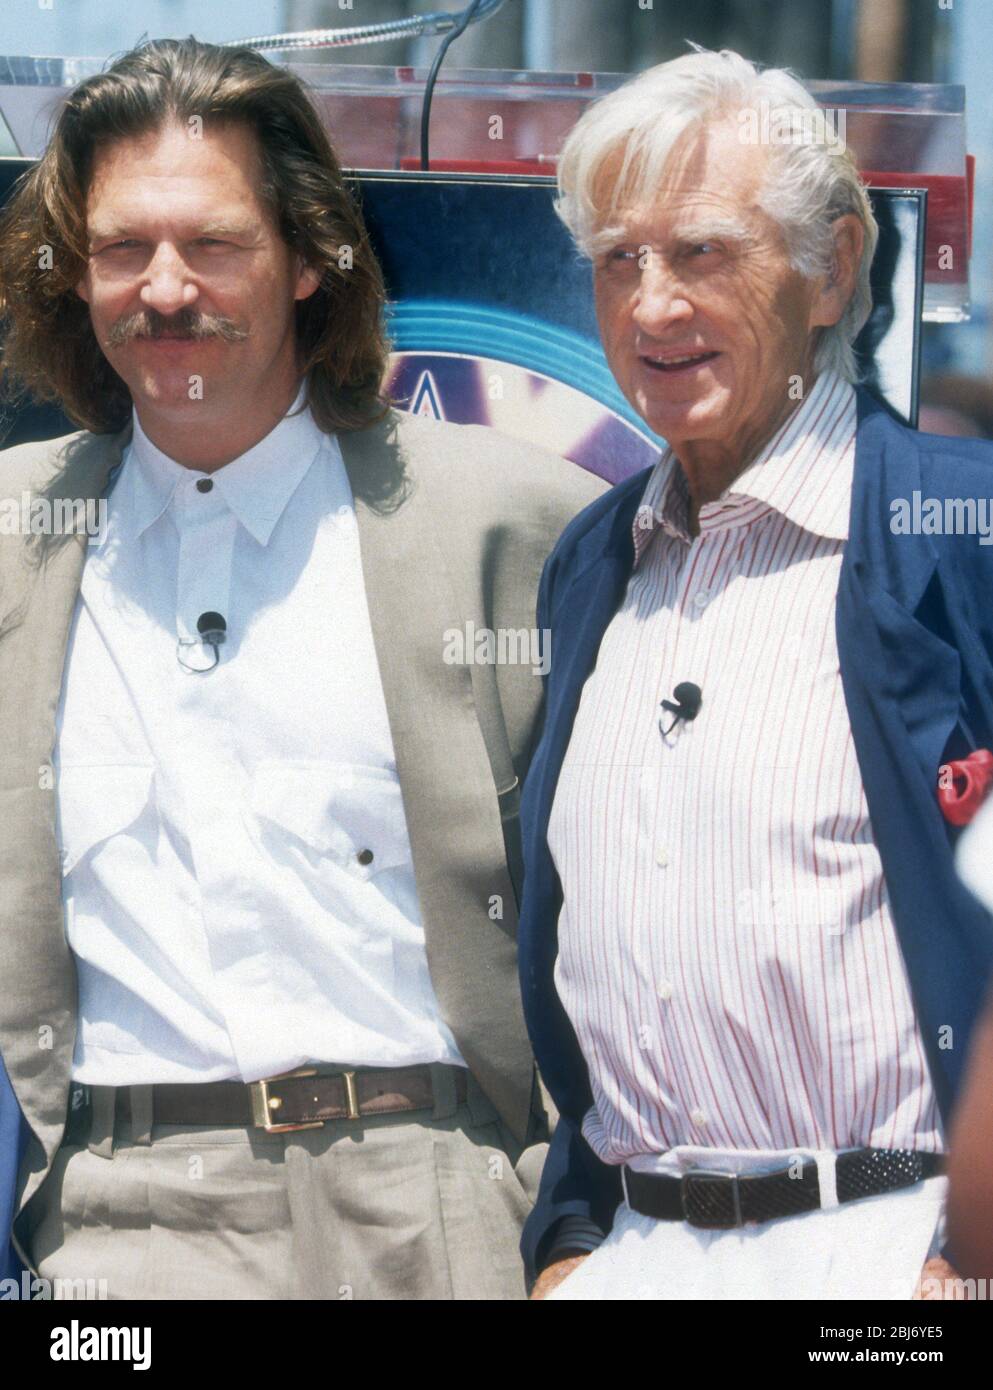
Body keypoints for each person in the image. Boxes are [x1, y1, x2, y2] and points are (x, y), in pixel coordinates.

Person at [0, 36, 603, 1300]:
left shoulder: (517, 526)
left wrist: (578, 1231)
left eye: (214, 244)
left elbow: (634, 910)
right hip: (123, 1232)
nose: (165, 290)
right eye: (121, 250)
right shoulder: (11, 541)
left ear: (312, 257)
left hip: (438, 1212)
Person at [517, 48, 993, 1300]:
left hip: (892, 1255)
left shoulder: (963, 532)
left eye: (704, 252)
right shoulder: (593, 561)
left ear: (834, 267)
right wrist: (569, 1248)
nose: (653, 305)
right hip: (638, 1255)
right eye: (620, 260)